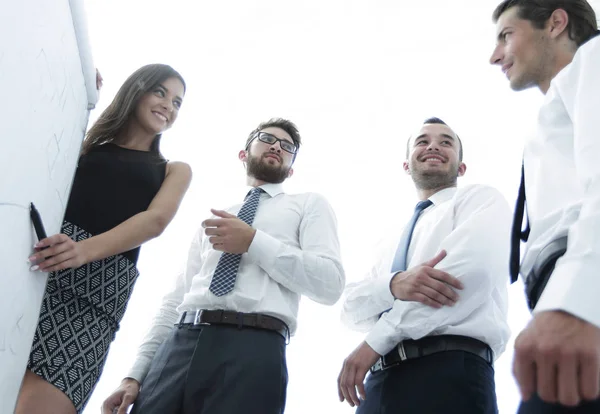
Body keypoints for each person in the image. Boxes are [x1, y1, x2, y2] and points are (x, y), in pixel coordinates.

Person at [101, 117, 345, 414]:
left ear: (291, 168)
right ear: (244, 154)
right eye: (267, 139)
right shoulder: (216, 218)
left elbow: (329, 283)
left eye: (287, 146)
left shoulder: (308, 204)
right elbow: (176, 299)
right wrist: (134, 375)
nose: (277, 147)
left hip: (254, 349)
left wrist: (253, 242)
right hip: (179, 346)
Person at [16, 63, 191, 414]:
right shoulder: (83, 148)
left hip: (93, 303)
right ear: (136, 90)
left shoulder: (174, 170)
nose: (168, 106)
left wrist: (82, 251)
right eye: (161, 92)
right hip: (35, 276)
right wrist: (76, 92)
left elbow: (155, 221)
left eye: (177, 102)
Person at [337, 117, 511, 414]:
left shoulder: (480, 200)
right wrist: (394, 284)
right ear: (407, 165)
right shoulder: (389, 238)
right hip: (379, 383)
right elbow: (350, 309)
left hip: (450, 372)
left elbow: (463, 279)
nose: (434, 146)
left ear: (461, 167)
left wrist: (375, 341)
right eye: (423, 141)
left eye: (446, 142)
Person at [489, 1, 600, 412]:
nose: (495, 55)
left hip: (581, 300)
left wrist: (576, 302)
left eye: (506, 35)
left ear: (555, 23)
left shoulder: (593, 59)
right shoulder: (563, 102)